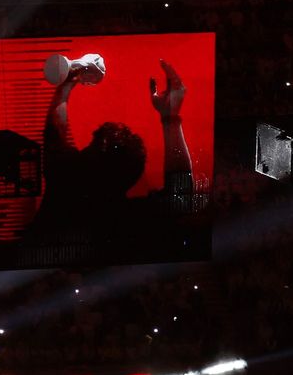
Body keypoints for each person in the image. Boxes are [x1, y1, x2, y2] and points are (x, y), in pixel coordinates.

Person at [26, 53, 199, 267]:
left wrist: (68, 83)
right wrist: (170, 117)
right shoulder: (128, 220)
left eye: (92, 143)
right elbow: (181, 196)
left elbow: (55, 129)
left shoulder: (66, 179)